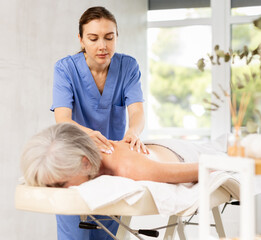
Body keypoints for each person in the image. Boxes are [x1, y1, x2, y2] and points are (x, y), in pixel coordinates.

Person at [50, 6, 147, 240]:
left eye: (109, 37)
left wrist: (133, 132)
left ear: (116, 37)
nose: (102, 46)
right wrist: (87, 134)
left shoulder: (128, 67)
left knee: (108, 233)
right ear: (81, 40)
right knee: (76, 232)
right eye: (93, 38)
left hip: (111, 161)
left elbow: (137, 111)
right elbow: (62, 119)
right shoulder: (65, 69)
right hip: (75, 160)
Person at [21, 123, 210, 187]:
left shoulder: (132, 168)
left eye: (60, 185)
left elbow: (206, 169)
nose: (57, 191)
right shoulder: (82, 153)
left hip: (188, 153)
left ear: (86, 163)